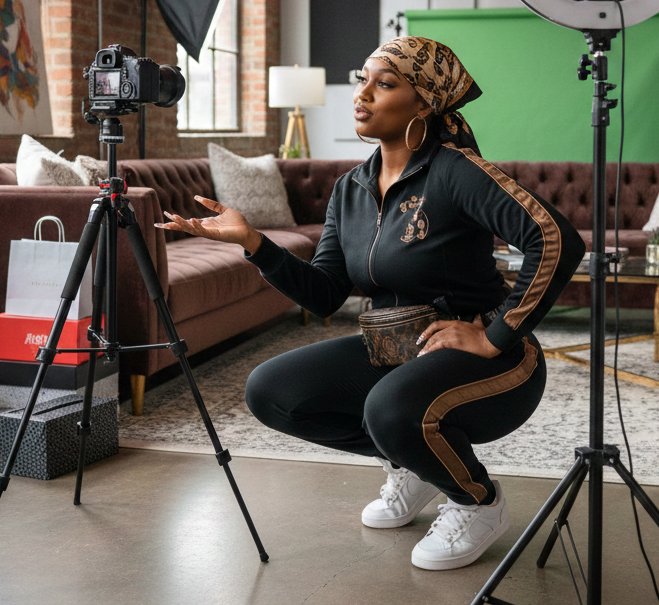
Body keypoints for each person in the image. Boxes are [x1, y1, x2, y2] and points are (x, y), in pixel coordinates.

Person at [156, 36, 585, 571]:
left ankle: (477, 501)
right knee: (271, 391)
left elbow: (558, 239)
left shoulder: (456, 171)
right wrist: (254, 244)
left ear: (425, 104)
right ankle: (412, 461)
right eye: (363, 79)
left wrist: (495, 333)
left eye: (384, 84)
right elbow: (327, 292)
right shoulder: (351, 187)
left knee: (389, 408)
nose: (362, 94)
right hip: (395, 352)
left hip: (492, 364)